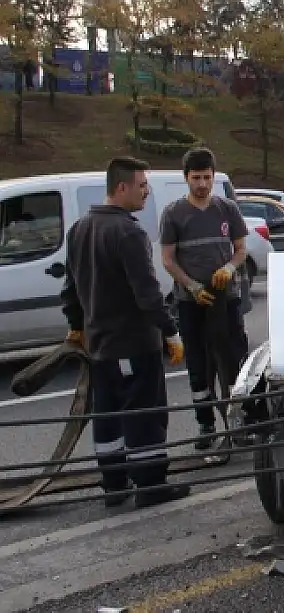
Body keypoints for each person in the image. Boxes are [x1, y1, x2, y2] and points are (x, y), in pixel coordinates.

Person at [60, 156, 191, 508]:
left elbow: (69, 288)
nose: (146, 193)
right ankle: (150, 485)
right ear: (122, 187)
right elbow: (147, 295)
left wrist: (76, 325)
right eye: (142, 185)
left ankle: (114, 485)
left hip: (100, 346)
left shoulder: (79, 229)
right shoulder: (128, 232)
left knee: (108, 416)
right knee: (143, 414)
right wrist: (171, 332)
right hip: (133, 343)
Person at [160, 148, 250, 448]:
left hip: (227, 299)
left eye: (207, 178)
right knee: (199, 365)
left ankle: (239, 422)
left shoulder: (227, 209)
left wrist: (228, 267)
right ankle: (206, 425)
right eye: (196, 178)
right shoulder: (174, 213)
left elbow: (240, 250)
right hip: (191, 302)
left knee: (234, 360)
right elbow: (168, 259)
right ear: (186, 178)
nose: (202, 184)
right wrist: (191, 286)